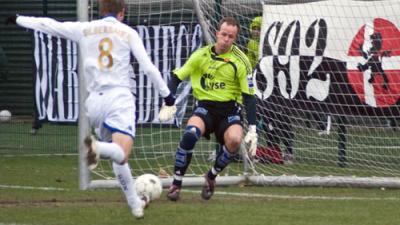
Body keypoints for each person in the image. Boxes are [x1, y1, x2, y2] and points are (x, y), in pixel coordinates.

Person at [7, 0, 175, 219]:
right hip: (118, 98)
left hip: (94, 102)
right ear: (122, 13)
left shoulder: (84, 29)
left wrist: (19, 19)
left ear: (100, 11)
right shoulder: (127, 32)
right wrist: (167, 96)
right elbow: (148, 68)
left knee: (118, 157)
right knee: (121, 152)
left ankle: (135, 204)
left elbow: (49, 24)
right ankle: (97, 148)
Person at [159, 17, 258, 201]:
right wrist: (169, 101)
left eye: (231, 36)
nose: (226, 39)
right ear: (217, 34)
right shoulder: (200, 55)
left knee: (235, 140)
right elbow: (176, 77)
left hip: (230, 111)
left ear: (235, 38)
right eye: (224, 34)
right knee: (190, 134)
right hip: (204, 108)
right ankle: (176, 184)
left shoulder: (241, 62)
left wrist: (252, 128)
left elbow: (249, 97)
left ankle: (211, 176)